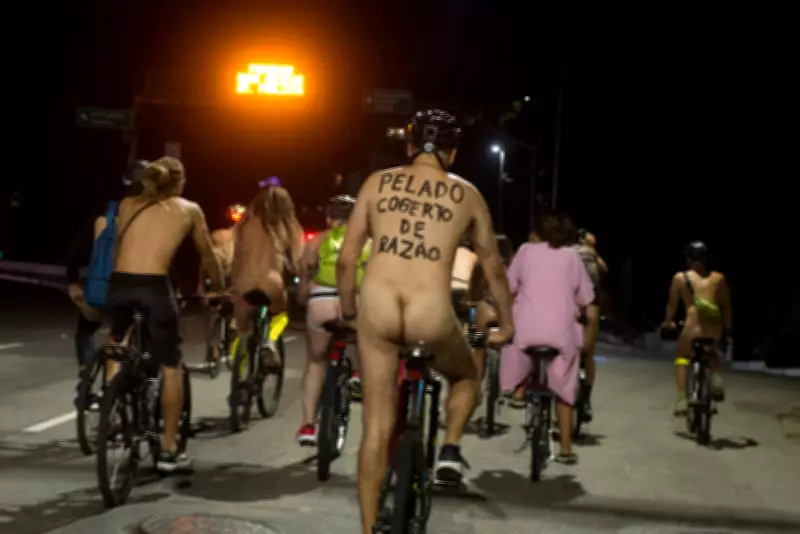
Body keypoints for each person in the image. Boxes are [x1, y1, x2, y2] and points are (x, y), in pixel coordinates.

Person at [335, 108, 514, 534]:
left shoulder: (377, 182)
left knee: (376, 428)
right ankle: (450, 448)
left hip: (377, 308)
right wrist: (505, 325)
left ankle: (366, 528)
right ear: (452, 152)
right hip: (432, 312)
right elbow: (494, 267)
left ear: (411, 146)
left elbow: (346, 260)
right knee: (467, 374)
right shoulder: (467, 194)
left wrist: (347, 313)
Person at [107, 157, 224, 472]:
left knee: (117, 338)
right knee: (171, 364)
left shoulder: (128, 204)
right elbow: (208, 255)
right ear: (179, 182)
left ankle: (113, 403)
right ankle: (170, 450)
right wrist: (220, 288)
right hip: (154, 287)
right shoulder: (188, 209)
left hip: (119, 284)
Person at [501, 212, 594, 464]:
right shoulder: (573, 257)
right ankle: (565, 447)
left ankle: (518, 385)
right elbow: (585, 297)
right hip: (559, 334)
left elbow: (509, 286)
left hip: (526, 329)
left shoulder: (525, 251)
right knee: (564, 384)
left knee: (517, 345)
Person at [295, 195, 371, 445]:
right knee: (366, 338)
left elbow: (305, 274)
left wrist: (304, 298)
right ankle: (358, 374)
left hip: (322, 300)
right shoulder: (369, 240)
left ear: (329, 218)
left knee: (316, 361)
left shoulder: (317, 240)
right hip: (356, 300)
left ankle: (307, 426)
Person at [230, 186, 304, 358]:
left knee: (242, 329)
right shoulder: (288, 225)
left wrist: (234, 286)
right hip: (271, 282)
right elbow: (297, 261)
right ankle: (269, 342)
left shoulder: (244, 225)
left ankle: (238, 367)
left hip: (244, 283)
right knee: (281, 314)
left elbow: (236, 260)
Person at [662, 241, 732, 415]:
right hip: (714, 325)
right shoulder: (718, 278)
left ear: (688, 259)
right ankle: (715, 378)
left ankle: (681, 399)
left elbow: (672, 305)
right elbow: (726, 306)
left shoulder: (680, 278)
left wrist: (668, 321)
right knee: (711, 352)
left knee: (682, 358)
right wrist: (727, 329)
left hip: (693, 324)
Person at [574, 227, 608, 422]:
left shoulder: (566, 251)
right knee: (589, 353)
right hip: (589, 304)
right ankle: (585, 399)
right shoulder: (591, 253)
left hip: (568, 302)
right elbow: (604, 271)